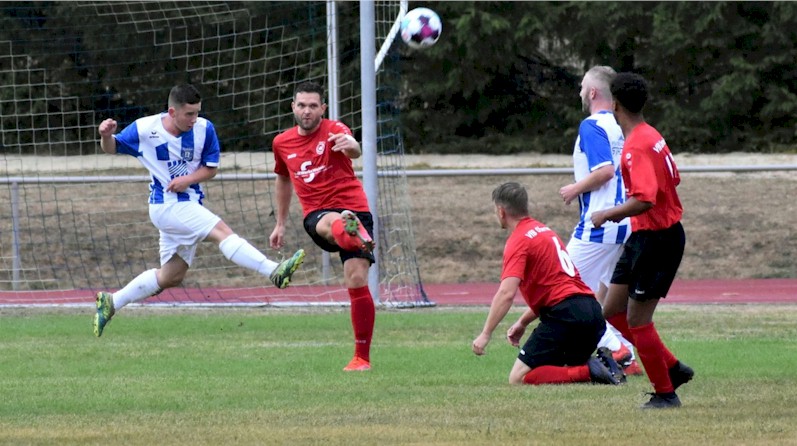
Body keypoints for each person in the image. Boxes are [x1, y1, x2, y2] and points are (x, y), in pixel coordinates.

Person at [93, 84, 305, 337]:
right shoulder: (145, 128)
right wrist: (105, 135)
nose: (194, 119)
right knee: (222, 232)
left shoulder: (205, 129)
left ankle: (112, 302)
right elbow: (112, 148)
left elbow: (211, 168)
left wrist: (188, 180)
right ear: (172, 112)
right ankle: (273, 271)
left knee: (171, 276)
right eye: (189, 114)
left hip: (189, 204)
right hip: (166, 205)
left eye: (197, 113)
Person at [591, 72, 694, 409]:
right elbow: (673, 179)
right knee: (611, 311)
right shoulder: (651, 135)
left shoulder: (636, 146)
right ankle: (672, 368)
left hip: (658, 239)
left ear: (616, 104)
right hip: (643, 236)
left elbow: (646, 198)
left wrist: (609, 214)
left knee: (638, 320)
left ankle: (666, 394)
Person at [471, 182, 624, 386]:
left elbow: (506, 293)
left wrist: (485, 334)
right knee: (554, 369)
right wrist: (523, 322)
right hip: (592, 313)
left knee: (518, 378)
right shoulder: (544, 231)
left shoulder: (518, 241)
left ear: (501, 211)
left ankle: (588, 370)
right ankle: (595, 365)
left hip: (566, 317)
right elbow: (557, 290)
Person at [269, 81, 376, 372]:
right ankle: (350, 231)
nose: (307, 111)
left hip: (356, 207)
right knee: (333, 222)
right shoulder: (282, 142)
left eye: (313, 106)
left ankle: (361, 359)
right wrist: (280, 223)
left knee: (355, 280)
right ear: (293, 107)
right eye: (301, 105)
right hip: (318, 215)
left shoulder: (334, 129)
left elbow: (352, 148)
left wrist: (353, 146)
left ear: (322, 109)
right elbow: (283, 179)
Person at [559, 65, 641, 376]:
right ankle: (627, 355)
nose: (580, 91)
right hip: (624, 224)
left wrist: (574, 189)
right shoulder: (622, 126)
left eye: (582, 87)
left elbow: (605, 170)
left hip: (599, 224)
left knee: (562, 287)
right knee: (598, 299)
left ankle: (617, 347)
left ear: (593, 92)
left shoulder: (591, 125)